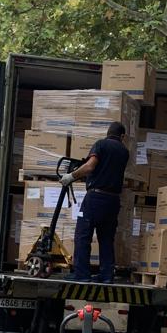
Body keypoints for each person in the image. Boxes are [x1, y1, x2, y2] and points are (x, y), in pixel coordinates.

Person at [60, 120, 130, 283]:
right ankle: (106, 275)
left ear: (107, 133)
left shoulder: (101, 145)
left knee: (83, 234)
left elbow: (90, 167)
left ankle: (82, 274)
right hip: (113, 200)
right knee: (106, 238)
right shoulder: (124, 151)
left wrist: (71, 176)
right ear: (122, 136)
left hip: (95, 197)